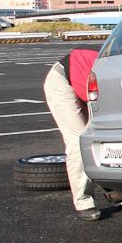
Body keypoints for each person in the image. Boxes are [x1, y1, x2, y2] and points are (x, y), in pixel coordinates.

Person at [43, 49, 101, 220]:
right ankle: (84, 201)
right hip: (63, 81)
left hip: (86, 87)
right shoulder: (112, 70)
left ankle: (121, 192)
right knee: (79, 141)